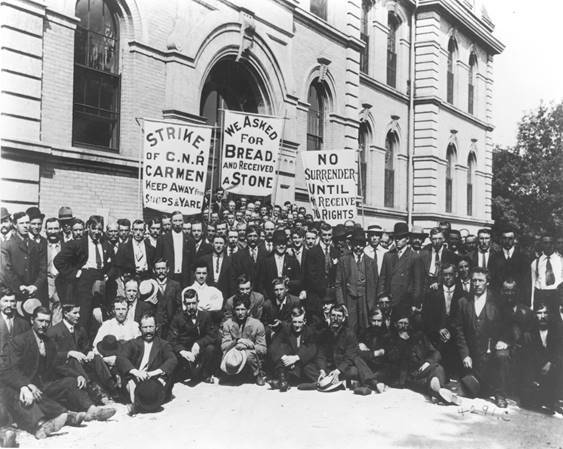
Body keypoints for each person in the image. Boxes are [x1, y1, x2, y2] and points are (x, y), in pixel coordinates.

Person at [2, 307, 116, 436]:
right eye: (40, 321)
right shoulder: (20, 341)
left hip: (43, 384)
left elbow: (56, 364)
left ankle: (92, 410)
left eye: (47, 322)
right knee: (26, 397)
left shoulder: (48, 342)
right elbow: (8, 369)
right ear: (32, 320)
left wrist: (76, 375)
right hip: (25, 385)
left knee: (70, 382)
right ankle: (47, 424)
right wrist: (25, 385)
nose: (43, 325)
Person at [455, 267, 510, 408]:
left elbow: (508, 324)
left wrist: (504, 340)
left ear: (487, 283)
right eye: (474, 280)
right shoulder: (463, 302)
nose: (477, 284)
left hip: (491, 351)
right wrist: (465, 355)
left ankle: (500, 394)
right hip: (473, 355)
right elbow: (459, 330)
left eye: (481, 280)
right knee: (470, 391)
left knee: (502, 356)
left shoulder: (498, 301)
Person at [54, 215, 115, 336]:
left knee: (100, 316)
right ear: (88, 228)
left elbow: (114, 264)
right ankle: (82, 346)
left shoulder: (106, 244)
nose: (97, 232)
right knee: (84, 317)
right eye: (94, 228)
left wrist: (108, 275)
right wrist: (75, 273)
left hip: (101, 281)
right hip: (84, 282)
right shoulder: (78, 244)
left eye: (99, 229)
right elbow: (58, 261)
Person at [46, 303, 118, 399]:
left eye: (79, 313)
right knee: (73, 360)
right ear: (66, 314)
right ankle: (93, 389)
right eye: (75, 313)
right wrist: (69, 353)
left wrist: (89, 352)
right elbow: (51, 355)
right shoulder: (53, 331)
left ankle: (111, 386)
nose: (78, 316)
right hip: (65, 364)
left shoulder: (80, 329)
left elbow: (85, 347)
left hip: (81, 362)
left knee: (96, 358)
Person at [117, 313, 177, 415]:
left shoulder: (163, 344)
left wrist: (153, 373)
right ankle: (136, 403)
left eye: (151, 327)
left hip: (154, 378)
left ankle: (141, 403)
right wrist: (136, 372)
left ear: (156, 327)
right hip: (138, 378)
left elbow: (172, 360)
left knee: (164, 380)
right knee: (130, 382)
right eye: (145, 327)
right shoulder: (133, 343)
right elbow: (121, 358)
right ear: (140, 329)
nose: (148, 330)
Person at [386, 307, 450, 402]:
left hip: (422, 369)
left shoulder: (418, 336)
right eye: (400, 323)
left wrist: (427, 363)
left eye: (406, 323)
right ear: (395, 324)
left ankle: (438, 391)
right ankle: (438, 392)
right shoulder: (391, 339)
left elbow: (435, 353)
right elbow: (393, 359)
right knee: (429, 379)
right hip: (407, 376)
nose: (404, 326)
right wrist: (402, 341)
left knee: (438, 368)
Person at [315, 304, 381, 391]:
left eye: (339, 316)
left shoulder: (349, 334)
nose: (335, 319)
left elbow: (350, 356)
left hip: (344, 369)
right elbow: (321, 354)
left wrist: (338, 370)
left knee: (354, 370)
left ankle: (329, 383)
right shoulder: (324, 334)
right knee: (309, 368)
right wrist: (322, 370)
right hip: (329, 369)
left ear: (343, 319)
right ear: (329, 316)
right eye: (333, 315)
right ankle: (340, 382)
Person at [168, 288, 219, 384]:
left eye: (194, 303)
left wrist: (199, 343)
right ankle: (188, 373)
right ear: (184, 304)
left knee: (211, 349)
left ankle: (205, 374)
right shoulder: (177, 318)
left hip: (200, 351)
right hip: (185, 353)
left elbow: (212, 335)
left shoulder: (205, 316)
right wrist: (182, 351)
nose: (191, 306)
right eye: (188, 304)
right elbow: (172, 340)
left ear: (198, 302)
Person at [519, 303, 563, 414]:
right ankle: (539, 398)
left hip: (552, 366)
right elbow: (527, 357)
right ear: (535, 315)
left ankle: (553, 400)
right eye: (539, 313)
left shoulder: (557, 330)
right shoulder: (529, 333)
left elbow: (559, 351)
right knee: (527, 403)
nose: (542, 316)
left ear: (549, 315)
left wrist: (550, 363)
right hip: (534, 368)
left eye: (545, 312)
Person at [422, 264, 462, 377]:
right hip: (436, 335)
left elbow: (462, 319)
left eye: (450, 274)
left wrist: (451, 332)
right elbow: (426, 318)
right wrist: (438, 329)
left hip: (455, 336)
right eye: (445, 275)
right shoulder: (432, 293)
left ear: (456, 275)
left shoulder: (462, 294)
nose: (448, 277)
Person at [335, 229, 378, 335]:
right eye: (356, 244)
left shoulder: (371, 262)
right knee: (350, 326)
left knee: (365, 326)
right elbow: (338, 284)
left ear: (364, 245)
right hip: (349, 299)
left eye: (361, 244)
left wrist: (372, 304)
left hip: (365, 299)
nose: (358, 247)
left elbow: (375, 284)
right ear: (351, 244)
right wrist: (341, 302)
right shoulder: (343, 260)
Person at [268, 306, 319, 391]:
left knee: (308, 368)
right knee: (282, 350)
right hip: (288, 362)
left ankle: (281, 382)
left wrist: (296, 358)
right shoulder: (286, 329)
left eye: (300, 322)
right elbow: (274, 346)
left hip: (302, 362)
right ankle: (283, 381)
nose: (297, 325)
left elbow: (312, 349)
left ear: (305, 321)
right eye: (294, 322)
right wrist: (284, 358)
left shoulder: (309, 331)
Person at [1, 211, 47, 305]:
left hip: (33, 294)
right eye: (22, 223)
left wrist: (35, 286)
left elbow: (43, 269)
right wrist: (19, 286)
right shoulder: (7, 245)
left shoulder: (36, 246)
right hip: (15, 294)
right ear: (14, 224)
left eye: (27, 222)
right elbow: (6, 270)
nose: (25, 226)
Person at [220, 294, 267, 385]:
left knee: (248, 354)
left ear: (248, 310)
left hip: (251, 357)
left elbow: (263, 349)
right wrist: (237, 342)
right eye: (237, 309)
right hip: (235, 354)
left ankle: (257, 374)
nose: (240, 313)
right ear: (234, 310)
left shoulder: (257, 324)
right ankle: (229, 373)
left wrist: (248, 345)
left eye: (243, 309)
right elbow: (224, 346)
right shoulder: (227, 324)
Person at [377, 222, 424, 309]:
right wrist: (381, 296)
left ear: (407, 239)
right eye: (396, 238)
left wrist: (414, 303)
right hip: (389, 300)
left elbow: (417, 283)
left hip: (405, 301)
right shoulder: (388, 255)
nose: (397, 240)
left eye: (400, 238)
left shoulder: (414, 257)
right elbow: (382, 278)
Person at [303, 223, 339, 321]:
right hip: (317, 296)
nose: (327, 238)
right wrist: (323, 289)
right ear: (320, 235)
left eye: (329, 235)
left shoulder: (335, 251)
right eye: (324, 235)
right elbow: (311, 275)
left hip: (331, 295)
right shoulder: (312, 252)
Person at [257, 230, 301, 301]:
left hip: (288, 299)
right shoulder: (266, 261)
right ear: (274, 244)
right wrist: (267, 298)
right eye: (278, 243)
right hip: (270, 299)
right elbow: (260, 283)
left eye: (283, 243)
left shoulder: (293, 261)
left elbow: (298, 281)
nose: (281, 246)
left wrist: (289, 283)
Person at [155, 211, 195, 287]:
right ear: (171, 222)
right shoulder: (162, 239)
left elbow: (192, 263)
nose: (177, 223)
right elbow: (158, 259)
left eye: (180, 220)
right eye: (175, 221)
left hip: (184, 278)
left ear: (183, 221)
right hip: (168, 277)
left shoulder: (190, 240)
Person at [489, 226, 530, 296]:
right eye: (504, 238)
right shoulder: (494, 258)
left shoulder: (523, 258)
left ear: (515, 240)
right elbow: (492, 280)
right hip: (499, 298)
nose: (507, 241)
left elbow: (526, 280)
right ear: (501, 240)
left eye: (510, 238)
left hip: (518, 297)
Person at [151, 258, 182, 339]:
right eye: (158, 269)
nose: (161, 271)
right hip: (155, 327)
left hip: (171, 327)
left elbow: (179, 307)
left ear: (168, 269)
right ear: (154, 270)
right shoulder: (149, 285)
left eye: (163, 268)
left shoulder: (175, 285)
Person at [531, 234, 562, 311]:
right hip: (542, 297)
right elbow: (533, 285)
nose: (548, 246)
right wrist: (532, 305)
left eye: (550, 243)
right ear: (541, 244)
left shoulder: (561, 261)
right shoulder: (536, 262)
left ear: (554, 244)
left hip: (557, 297)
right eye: (545, 243)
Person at [358, 308, 390, 382]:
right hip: (368, 365)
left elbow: (387, 354)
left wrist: (368, 352)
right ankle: (371, 379)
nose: (376, 323)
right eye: (373, 320)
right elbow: (359, 352)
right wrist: (376, 353)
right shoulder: (364, 333)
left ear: (383, 321)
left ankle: (370, 379)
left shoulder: (388, 334)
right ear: (369, 320)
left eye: (379, 321)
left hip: (382, 367)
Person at [201, 235, 234, 300]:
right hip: (207, 294)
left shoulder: (230, 261)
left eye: (221, 243)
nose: (218, 246)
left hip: (224, 295)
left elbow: (232, 282)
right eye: (216, 243)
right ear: (212, 244)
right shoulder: (204, 259)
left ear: (225, 245)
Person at [44, 217, 63, 324]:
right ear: (45, 230)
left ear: (60, 229)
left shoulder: (65, 246)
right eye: (50, 229)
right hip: (46, 284)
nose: (53, 232)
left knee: (57, 319)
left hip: (61, 285)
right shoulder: (41, 245)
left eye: (56, 228)